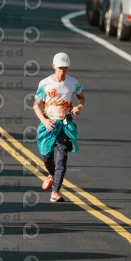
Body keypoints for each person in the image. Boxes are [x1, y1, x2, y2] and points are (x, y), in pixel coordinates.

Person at [33, 52, 85, 203]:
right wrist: (44, 121)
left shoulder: (73, 82)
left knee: (62, 158)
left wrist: (79, 107)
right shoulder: (45, 84)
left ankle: (55, 191)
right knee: (46, 156)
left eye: (65, 68)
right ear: (54, 66)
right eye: (60, 67)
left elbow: (82, 98)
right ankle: (51, 174)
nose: (63, 71)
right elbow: (36, 105)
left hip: (64, 125)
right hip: (49, 125)